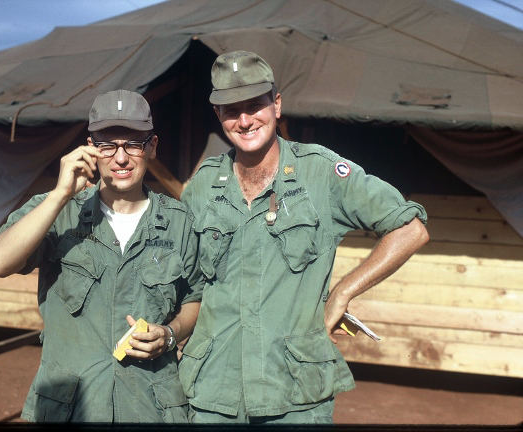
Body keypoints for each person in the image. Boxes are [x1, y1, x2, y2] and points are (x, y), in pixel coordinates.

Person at [178, 51, 429, 424]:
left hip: (295, 394)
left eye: (255, 106)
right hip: (215, 392)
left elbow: (410, 229)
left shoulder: (320, 173)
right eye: (232, 110)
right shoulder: (202, 186)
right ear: (218, 115)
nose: (244, 121)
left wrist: (343, 292)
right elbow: (189, 285)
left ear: (277, 105)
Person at [0, 89, 202, 423]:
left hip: (151, 408)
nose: (120, 158)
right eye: (107, 146)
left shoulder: (179, 221)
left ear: (152, 147)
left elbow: (194, 298)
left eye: (133, 144)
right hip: (71, 410)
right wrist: (60, 195)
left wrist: (170, 335)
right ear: (90, 148)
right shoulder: (58, 211)